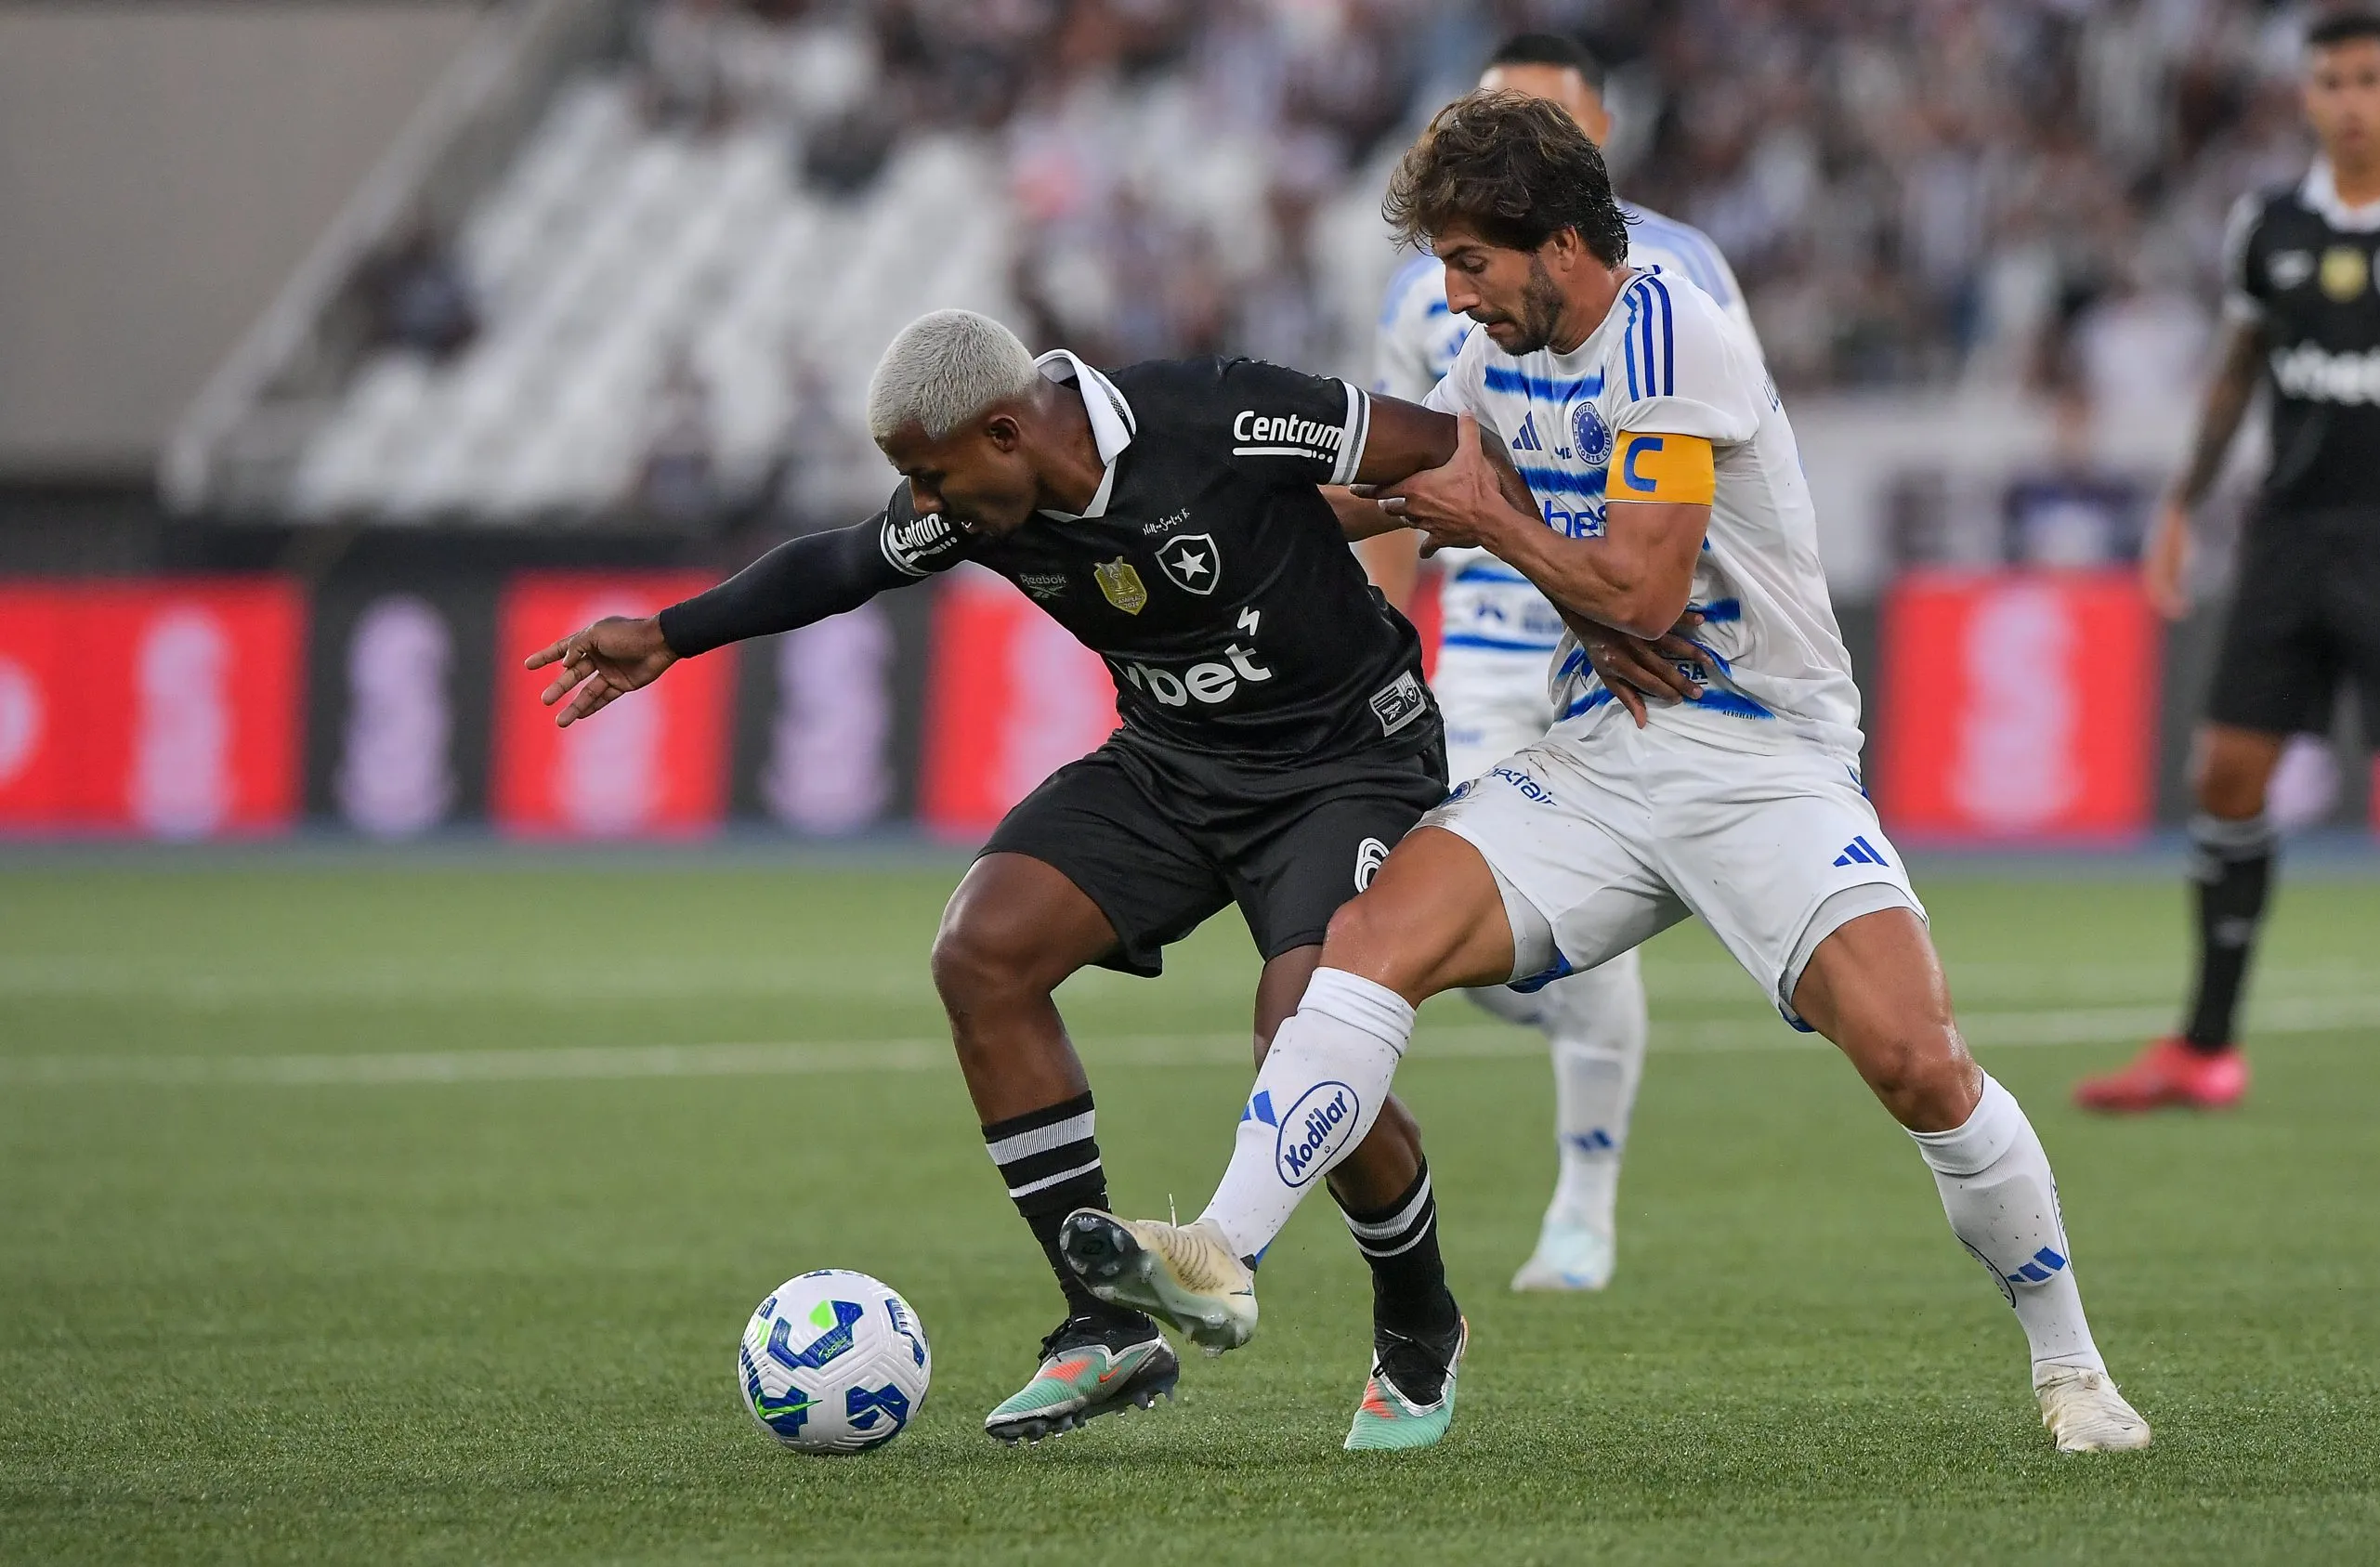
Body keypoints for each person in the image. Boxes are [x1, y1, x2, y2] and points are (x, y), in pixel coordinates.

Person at [1059, 92, 2153, 1454]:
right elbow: (1395, 492)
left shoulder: (1670, 330)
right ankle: (1218, 1250)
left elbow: (1641, 592)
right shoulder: (1499, 357)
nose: (1453, 296)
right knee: (1365, 942)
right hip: (1603, 758)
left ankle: (2075, 1371)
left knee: (1919, 1061)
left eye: (1471, 262)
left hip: (1762, 757)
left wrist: (1480, 517)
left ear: (1560, 243)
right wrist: (1166, 501)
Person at [523, 309, 1526, 1449]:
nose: (924, 504)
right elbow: (844, 561)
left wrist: (1564, 571)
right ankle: (1103, 1325)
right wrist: (668, 633)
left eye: (930, 476)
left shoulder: (1216, 413)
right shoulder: (974, 498)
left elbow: (1441, 449)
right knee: (983, 949)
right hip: (1171, 765)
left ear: (1006, 432)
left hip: (1345, 762)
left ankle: (1417, 1319)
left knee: (1300, 1035)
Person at [2073, 10, 2380, 1120]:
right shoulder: (2271, 224)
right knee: (2225, 775)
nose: (2347, 100)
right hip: (2287, 540)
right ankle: (2207, 1049)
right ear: (2305, 99)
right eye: (2328, 82)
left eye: (2366, 80)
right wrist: (2180, 505)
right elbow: (2235, 372)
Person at [1357, 31, 1763, 1296]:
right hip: (1487, 635)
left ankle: (1584, 1198)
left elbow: (1728, 461)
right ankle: (1594, 1011)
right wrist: (1386, 655)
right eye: (1486, 117)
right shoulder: (1431, 291)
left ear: (1595, 131)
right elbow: (1396, 476)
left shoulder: (1683, 273)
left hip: (1632, 641)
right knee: (1451, 908)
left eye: (1540, 117)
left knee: (1556, 931)